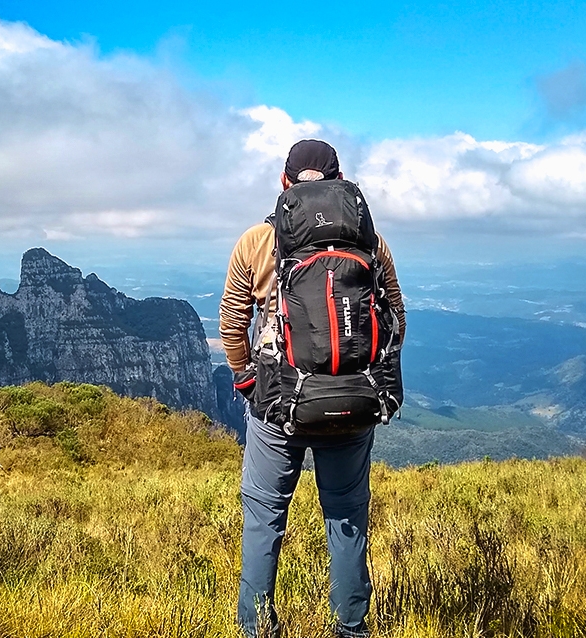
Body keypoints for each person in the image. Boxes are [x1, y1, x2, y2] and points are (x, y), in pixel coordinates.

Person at [219, 139, 406, 638]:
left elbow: (233, 322)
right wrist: (366, 376)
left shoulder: (256, 242)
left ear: (284, 183)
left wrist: (246, 379)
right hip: (352, 402)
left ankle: (257, 629)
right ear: (340, 180)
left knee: (263, 516)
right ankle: (351, 627)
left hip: (277, 405)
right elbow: (395, 318)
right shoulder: (371, 243)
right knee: (346, 517)